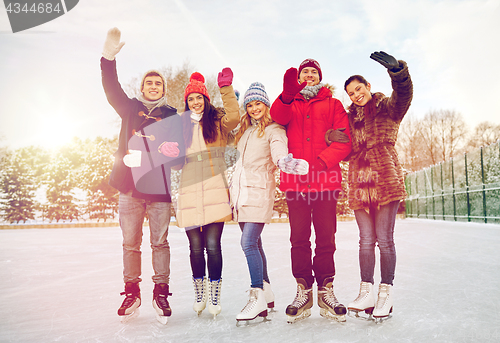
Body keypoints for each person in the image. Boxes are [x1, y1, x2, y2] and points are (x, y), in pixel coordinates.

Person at [100, 28, 184, 324]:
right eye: (148, 82)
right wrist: (108, 58)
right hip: (129, 190)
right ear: (143, 87)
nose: (152, 86)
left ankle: (161, 291)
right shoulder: (130, 108)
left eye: (157, 83)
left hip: (158, 191)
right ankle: (131, 291)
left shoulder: (172, 115)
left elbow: (178, 157)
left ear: (163, 89)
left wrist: (150, 156)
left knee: (160, 243)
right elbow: (111, 89)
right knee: (130, 244)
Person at [326, 51, 413, 322]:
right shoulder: (350, 119)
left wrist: (398, 72)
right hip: (360, 184)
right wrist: (331, 135)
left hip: (385, 179)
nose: (356, 95)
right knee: (366, 240)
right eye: (351, 93)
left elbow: (404, 96)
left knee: (384, 240)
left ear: (368, 87)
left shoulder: (387, 107)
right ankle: (366, 291)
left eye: (359, 89)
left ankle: (385, 294)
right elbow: (343, 145)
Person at [270, 59, 352, 323]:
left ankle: (326, 289)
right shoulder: (289, 103)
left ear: (320, 78)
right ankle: (303, 291)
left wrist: (319, 162)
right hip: (295, 184)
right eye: (305, 71)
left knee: (326, 238)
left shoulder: (333, 104)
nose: (309, 75)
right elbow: (277, 118)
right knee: (299, 239)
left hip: (325, 183)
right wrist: (286, 94)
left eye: (313, 72)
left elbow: (344, 141)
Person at [230, 82, 309, 324]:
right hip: (240, 194)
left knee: (248, 243)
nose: (254, 109)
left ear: (266, 105)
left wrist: (285, 162)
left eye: (258, 104)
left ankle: (257, 296)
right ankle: (267, 292)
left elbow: (278, 149)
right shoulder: (244, 131)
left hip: (259, 192)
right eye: (250, 105)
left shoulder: (274, 129)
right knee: (255, 243)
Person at [176, 69, 239, 318]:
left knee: (213, 246)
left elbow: (234, 117)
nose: (195, 102)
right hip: (189, 190)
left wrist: (226, 89)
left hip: (214, 188)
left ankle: (214, 294)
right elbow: (170, 157)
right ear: (186, 102)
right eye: (190, 99)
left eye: (199, 98)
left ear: (206, 99)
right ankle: (199, 291)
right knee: (194, 247)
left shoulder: (216, 122)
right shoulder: (180, 126)